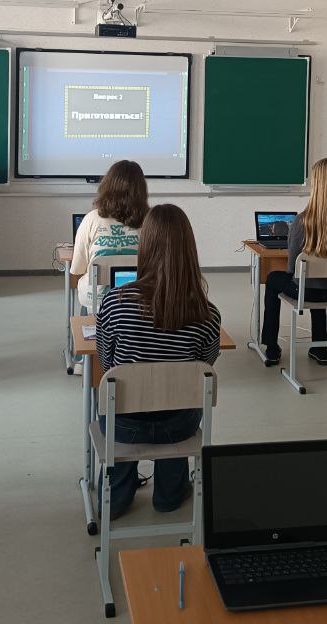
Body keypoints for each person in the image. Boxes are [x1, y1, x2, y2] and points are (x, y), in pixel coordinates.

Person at [95, 204, 221, 519]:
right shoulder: (207, 314)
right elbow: (204, 369)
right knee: (180, 398)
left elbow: (107, 363)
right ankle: (169, 495)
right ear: (189, 250)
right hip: (178, 427)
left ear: (145, 246)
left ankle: (117, 498)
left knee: (116, 402)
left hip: (124, 426)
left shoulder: (115, 303)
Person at [259, 157, 327, 368]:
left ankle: (272, 347)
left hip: (307, 291)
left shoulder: (303, 220)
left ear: (317, 184)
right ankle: (319, 349)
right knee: (316, 280)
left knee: (273, 279)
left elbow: (292, 268)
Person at [70, 159, 149, 311]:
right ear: (141, 190)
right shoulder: (151, 220)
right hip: (139, 298)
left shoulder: (91, 219)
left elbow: (77, 269)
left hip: (97, 301)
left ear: (107, 186)